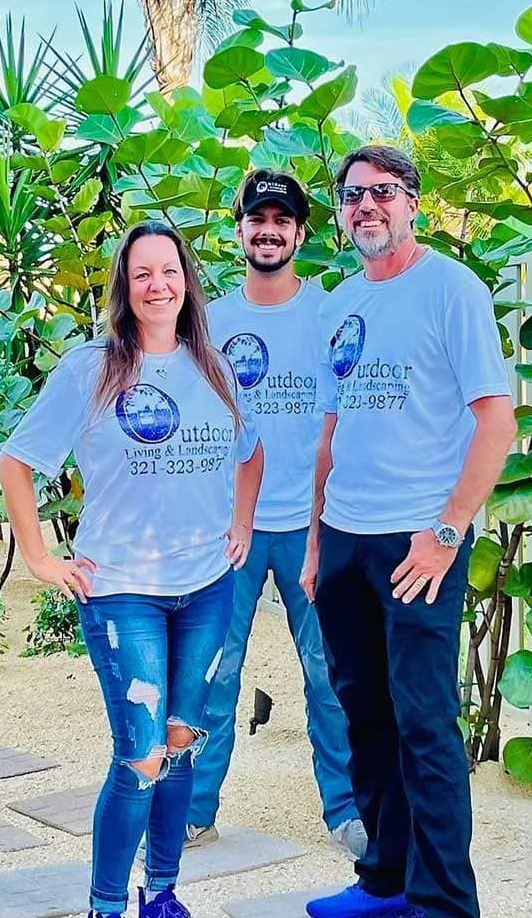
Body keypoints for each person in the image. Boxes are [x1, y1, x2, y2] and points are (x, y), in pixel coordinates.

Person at [0, 221, 263, 918]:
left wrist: (240, 526)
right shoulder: (91, 369)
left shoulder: (214, 366)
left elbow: (251, 452)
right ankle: (106, 906)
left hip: (206, 588)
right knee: (141, 754)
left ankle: (163, 893)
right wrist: (39, 556)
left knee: (180, 743)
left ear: (186, 282)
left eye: (168, 271)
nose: (157, 285)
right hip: (121, 593)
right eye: (142, 273)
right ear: (125, 286)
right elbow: (16, 464)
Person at [301, 146, 517, 918]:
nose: (366, 206)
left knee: (424, 721)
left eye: (382, 192)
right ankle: (386, 882)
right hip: (346, 538)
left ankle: (444, 906)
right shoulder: (338, 305)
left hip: (418, 543)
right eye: (353, 195)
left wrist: (445, 533)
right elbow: (332, 430)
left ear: (413, 203)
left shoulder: (451, 291)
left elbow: (497, 421)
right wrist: (319, 543)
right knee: (363, 712)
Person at [187, 169, 365, 858]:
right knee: (214, 674)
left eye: (281, 219)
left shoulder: (330, 312)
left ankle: (347, 812)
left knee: (328, 673)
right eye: (256, 218)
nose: (268, 229)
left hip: (314, 527)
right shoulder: (211, 322)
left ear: (299, 232)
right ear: (240, 231)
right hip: (229, 531)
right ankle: (194, 810)